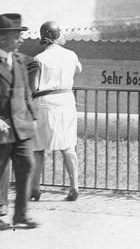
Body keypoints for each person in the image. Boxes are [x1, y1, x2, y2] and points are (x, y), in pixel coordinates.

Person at [27, 22, 81, 202]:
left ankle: (35, 188)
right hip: (66, 101)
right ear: (56, 34)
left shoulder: (39, 59)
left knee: (38, 148)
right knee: (68, 146)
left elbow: (33, 87)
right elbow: (79, 69)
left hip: (44, 103)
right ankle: (74, 187)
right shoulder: (71, 55)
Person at [0, 13, 37, 231]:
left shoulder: (21, 61)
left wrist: (31, 116)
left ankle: (21, 215)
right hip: (2, 127)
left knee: (27, 165)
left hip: (21, 126)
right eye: (17, 36)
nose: (21, 40)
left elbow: (26, 93)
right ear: (2, 39)